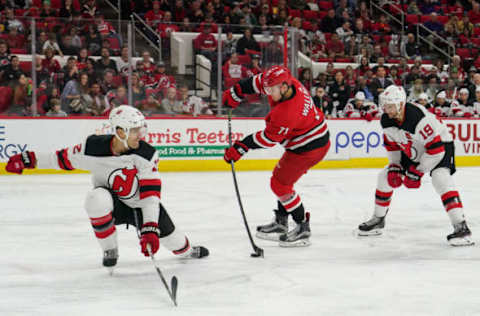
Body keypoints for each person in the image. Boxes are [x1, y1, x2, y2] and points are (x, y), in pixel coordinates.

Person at [5, 105, 209, 270]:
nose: (141, 134)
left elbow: (150, 196)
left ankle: (187, 250)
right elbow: (60, 159)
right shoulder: (92, 147)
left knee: (177, 244)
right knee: (96, 199)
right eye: (135, 130)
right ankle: (110, 250)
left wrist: (149, 229)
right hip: (113, 204)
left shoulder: (147, 154)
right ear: (120, 132)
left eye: (142, 129)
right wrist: (27, 159)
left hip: (140, 204)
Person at [222, 65, 330, 247]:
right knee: (282, 180)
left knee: (280, 184)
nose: (268, 93)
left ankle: (303, 227)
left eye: (272, 90)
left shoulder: (287, 112)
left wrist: (241, 147)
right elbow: (258, 82)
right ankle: (281, 222)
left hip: (309, 149)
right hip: (307, 140)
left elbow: (268, 139)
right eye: (269, 89)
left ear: (284, 87)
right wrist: (236, 91)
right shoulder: (286, 83)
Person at [357, 85, 473, 246]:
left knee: (441, 178)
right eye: (385, 106)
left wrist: (418, 172)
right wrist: (395, 165)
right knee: (384, 177)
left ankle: (461, 227)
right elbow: (393, 146)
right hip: (414, 145)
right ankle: (378, 219)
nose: (387, 110)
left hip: (440, 145)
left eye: (390, 106)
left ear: (400, 104)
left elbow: (436, 150)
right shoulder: (386, 119)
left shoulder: (417, 117)